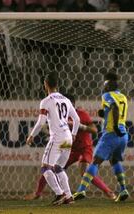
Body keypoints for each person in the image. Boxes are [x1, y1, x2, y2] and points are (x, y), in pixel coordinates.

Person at [24, 94, 115, 201]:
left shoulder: (81, 114)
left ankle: (108, 192)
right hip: (69, 146)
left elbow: (94, 130)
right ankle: (40, 193)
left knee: (84, 172)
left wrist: (79, 126)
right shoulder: (60, 115)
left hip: (84, 148)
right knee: (53, 167)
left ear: (72, 104)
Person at [73, 73, 130, 202]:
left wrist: (114, 127)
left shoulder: (107, 95)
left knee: (95, 162)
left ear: (109, 85)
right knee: (114, 161)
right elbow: (116, 109)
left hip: (111, 134)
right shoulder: (123, 96)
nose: (103, 86)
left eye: (105, 84)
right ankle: (123, 189)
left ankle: (81, 190)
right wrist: (104, 113)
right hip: (123, 136)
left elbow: (115, 108)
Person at [26, 72, 80, 205]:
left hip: (57, 137)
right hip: (67, 137)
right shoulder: (66, 100)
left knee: (45, 168)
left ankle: (59, 193)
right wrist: (73, 134)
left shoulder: (46, 101)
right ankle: (69, 196)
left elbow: (41, 122)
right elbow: (77, 119)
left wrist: (31, 135)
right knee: (58, 168)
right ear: (57, 85)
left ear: (45, 85)